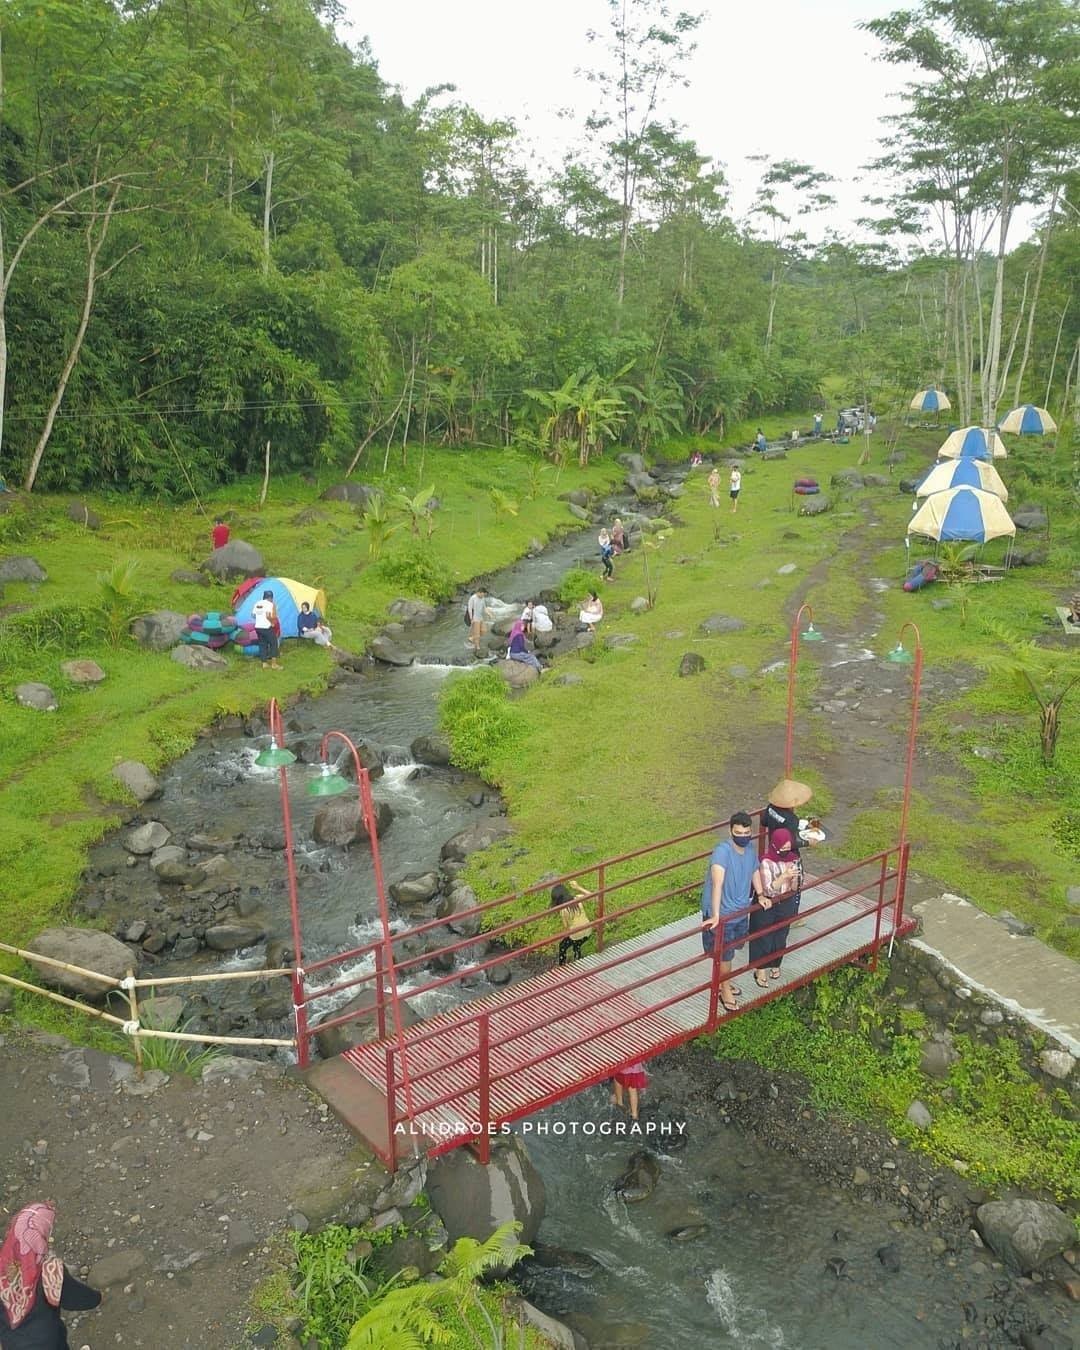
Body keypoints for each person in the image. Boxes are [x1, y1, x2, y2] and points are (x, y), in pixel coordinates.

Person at [0, 1202, 101, 1350]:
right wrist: (97, 1298)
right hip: (48, 1342)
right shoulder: (50, 1270)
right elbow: (75, 1298)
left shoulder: (3, 1268)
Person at [700, 811, 768, 1013]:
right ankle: (724, 990)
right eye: (739, 832)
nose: (743, 836)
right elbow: (717, 883)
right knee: (725, 956)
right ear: (731, 831)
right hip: (724, 914)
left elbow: (754, 870)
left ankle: (725, 983)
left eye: (747, 832)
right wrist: (715, 915)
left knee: (732, 952)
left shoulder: (749, 849)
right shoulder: (722, 852)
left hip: (740, 910)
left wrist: (762, 894)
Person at [749, 827, 803, 986]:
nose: (786, 851)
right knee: (763, 936)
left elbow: (796, 887)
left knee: (781, 934)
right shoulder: (766, 861)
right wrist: (783, 877)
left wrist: (794, 879)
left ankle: (775, 963)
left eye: (788, 847)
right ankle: (760, 968)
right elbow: (768, 889)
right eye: (783, 847)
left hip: (785, 901)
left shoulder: (793, 859)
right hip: (768, 903)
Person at [550, 881, 592, 965]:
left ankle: (562, 965)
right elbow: (591, 895)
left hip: (576, 935)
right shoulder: (577, 899)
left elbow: (566, 927)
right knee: (577, 944)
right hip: (588, 931)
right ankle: (577, 956)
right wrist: (578, 887)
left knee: (562, 946)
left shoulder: (563, 910)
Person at [252, 589, 282, 669]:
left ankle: (264, 663)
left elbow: (253, 615)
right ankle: (274, 664)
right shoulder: (270, 604)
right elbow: (268, 615)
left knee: (262, 644)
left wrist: (259, 618)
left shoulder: (257, 603)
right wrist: (272, 623)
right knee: (274, 643)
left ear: (264, 597)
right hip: (266, 627)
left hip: (258, 627)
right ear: (271, 598)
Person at [466, 586, 488, 653]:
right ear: (479, 592)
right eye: (483, 594)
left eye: (484, 595)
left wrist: (489, 613)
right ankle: (477, 647)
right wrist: (471, 618)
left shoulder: (483, 598)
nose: (483, 596)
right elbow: (469, 609)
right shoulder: (472, 598)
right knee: (477, 634)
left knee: (484, 630)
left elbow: (484, 607)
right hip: (475, 618)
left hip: (480, 617)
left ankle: (472, 638)